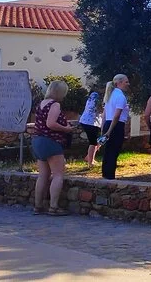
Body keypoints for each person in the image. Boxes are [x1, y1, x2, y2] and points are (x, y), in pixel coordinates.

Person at [32, 80, 73, 216]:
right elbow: (51, 124)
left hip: (38, 141)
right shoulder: (55, 105)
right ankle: (53, 207)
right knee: (58, 175)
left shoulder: (41, 104)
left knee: (43, 175)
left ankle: (38, 206)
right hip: (51, 141)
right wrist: (66, 129)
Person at [101, 74, 131, 179]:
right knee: (113, 152)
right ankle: (110, 177)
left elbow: (104, 115)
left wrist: (103, 129)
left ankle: (105, 175)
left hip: (108, 123)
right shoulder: (120, 96)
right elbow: (117, 115)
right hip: (116, 126)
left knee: (108, 151)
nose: (128, 84)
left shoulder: (109, 95)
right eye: (126, 82)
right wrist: (109, 131)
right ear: (119, 83)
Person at [79, 90, 102, 166]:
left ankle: (89, 157)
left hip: (90, 121)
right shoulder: (96, 96)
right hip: (90, 122)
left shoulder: (93, 95)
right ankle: (90, 162)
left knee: (100, 140)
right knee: (93, 142)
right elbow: (97, 108)